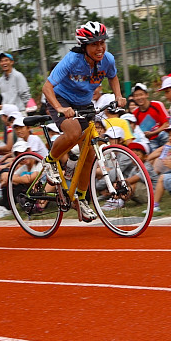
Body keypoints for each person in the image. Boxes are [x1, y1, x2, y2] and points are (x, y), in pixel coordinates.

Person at [41, 21, 126, 222]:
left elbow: (113, 77)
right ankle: (50, 161)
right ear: (84, 46)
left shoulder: (108, 59)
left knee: (89, 154)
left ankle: (80, 199)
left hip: (84, 103)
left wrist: (118, 96)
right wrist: (60, 108)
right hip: (60, 100)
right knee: (72, 133)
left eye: (102, 43)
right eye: (95, 44)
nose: (100, 48)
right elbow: (47, 87)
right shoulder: (71, 60)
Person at [131, 82, 169, 151]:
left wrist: (152, 133)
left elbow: (166, 124)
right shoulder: (135, 113)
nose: (139, 98)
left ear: (146, 95)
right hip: (150, 141)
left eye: (141, 94)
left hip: (162, 135)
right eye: (136, 95)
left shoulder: (157, 105)